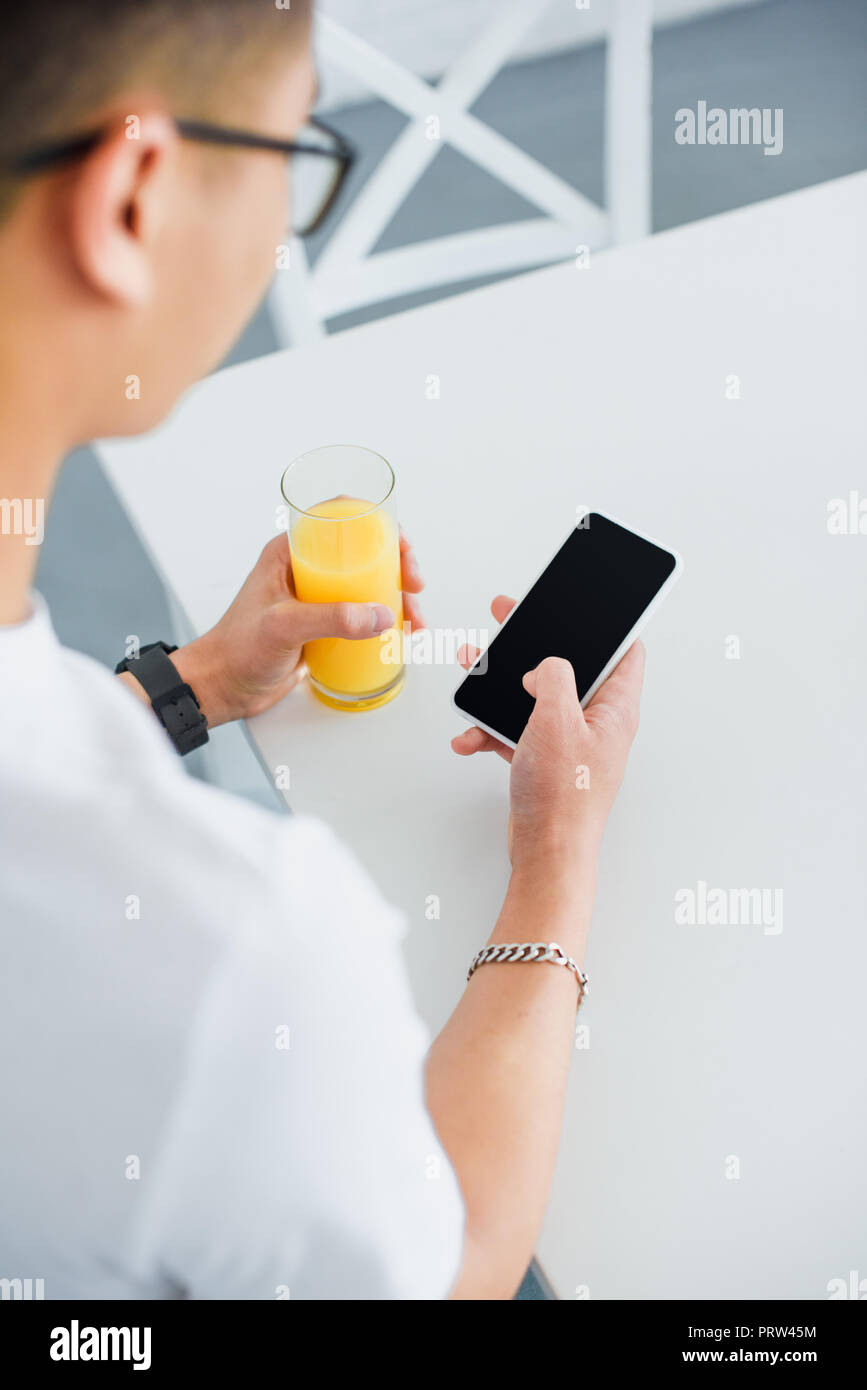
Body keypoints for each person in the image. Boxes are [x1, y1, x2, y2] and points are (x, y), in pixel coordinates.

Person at [0, 0, 644, 1300]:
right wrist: (556, 858)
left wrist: (184, 687)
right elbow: (449, 1258)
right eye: (298, 155)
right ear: (133, 196)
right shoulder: (233, 957)